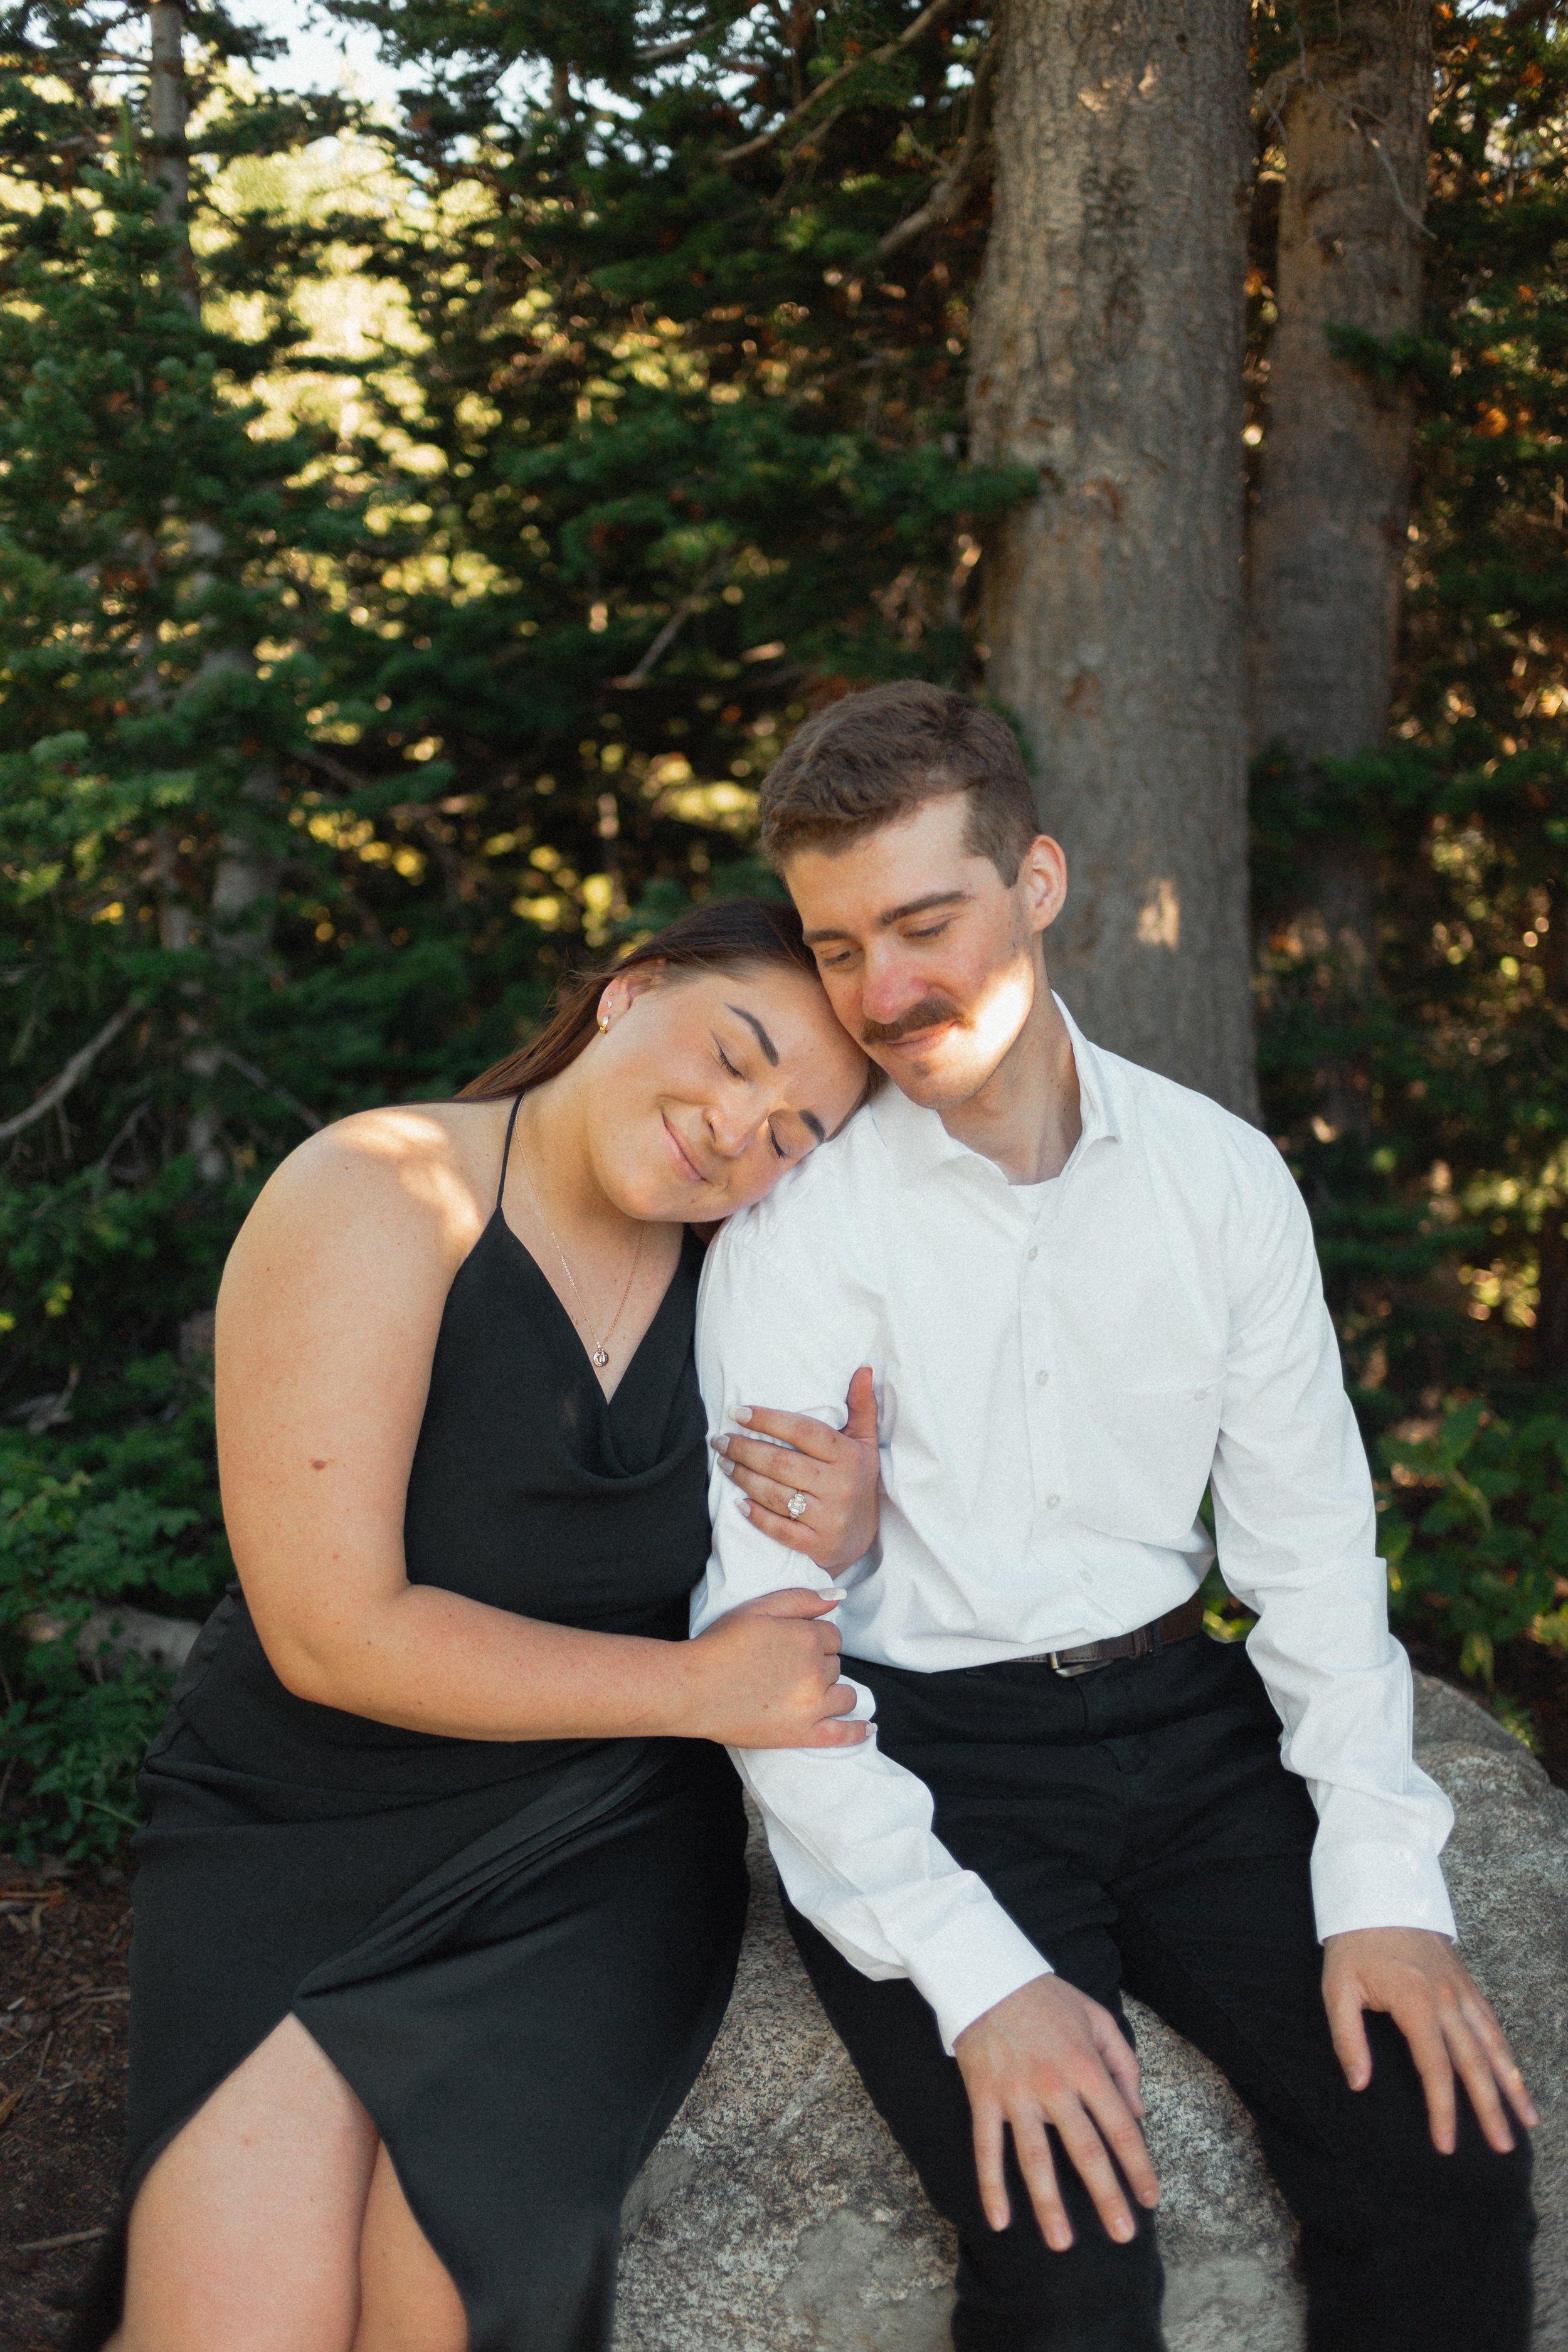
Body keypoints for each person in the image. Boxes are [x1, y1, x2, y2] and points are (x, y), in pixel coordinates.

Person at [694, 682, 1539, 2352]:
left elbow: (1304, 1548)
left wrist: (1381, 1876)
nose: (882, 988)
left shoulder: (1218, 1177)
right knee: (1073, 2255)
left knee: (1450, 2147)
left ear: (1040, 880)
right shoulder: (795, 1232)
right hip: (923, 1737)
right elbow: (766, 1659)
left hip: (1187, 1720)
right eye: (839, 945)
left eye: (923, 922)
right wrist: (978, 1976)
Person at [78, 899, 879, 2352]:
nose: (739, 1128)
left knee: (452, 2295)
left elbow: (845, 1557)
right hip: (300, 1813)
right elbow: (333, 1636)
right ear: (629, 992)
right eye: (738, 1050)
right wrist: (703, 1687)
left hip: (587, 1840)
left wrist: (854, 1519)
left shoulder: (753, 1273)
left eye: (796, 1131)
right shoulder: (379, 1189)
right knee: (231, 2327)